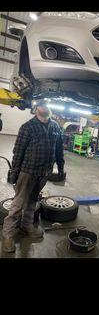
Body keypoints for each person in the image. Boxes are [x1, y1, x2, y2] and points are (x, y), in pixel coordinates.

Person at [2, 100, 65, 253]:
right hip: (27, 171)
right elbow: (18, 152)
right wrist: (14, 173)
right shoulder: (27, 127)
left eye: (47, 105)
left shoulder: (55, 126)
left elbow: (58, 150)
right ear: (36, 109)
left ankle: (27, 225)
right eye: (42, 105)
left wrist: (61, 167)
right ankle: (8, 235)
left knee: (32, 201)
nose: (45, 107)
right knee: (18, 204)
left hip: (44, 172)